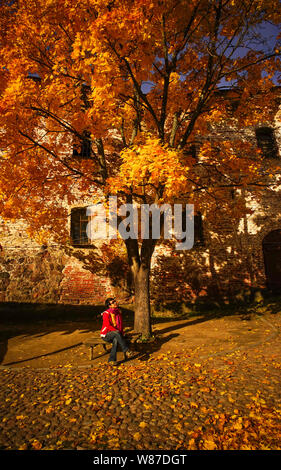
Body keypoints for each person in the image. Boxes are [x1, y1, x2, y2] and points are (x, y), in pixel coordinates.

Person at [100, 297, 133, 365]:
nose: (115, 303)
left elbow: (120, 324)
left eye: (115, 301)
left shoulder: (117, 312)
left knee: (116, 340)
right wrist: (117, 332)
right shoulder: (106, 314)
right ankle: (126, 350)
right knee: (117, 333)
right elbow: (108, 326)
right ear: (109, 306)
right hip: (106, 335)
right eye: (113, 302)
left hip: (116, 334)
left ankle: (111, 360)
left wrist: (122, 333)